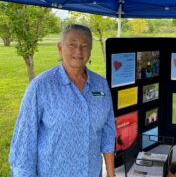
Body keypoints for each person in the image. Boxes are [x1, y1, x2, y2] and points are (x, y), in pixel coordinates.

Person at [9, 24, 116, 177]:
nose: (78, 51)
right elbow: (24, 144)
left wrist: (111, 174)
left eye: (84, 46)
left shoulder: (101, 85)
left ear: (90, 51)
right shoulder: (40, 87)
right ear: (60, 48)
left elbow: (108, 132)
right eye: (72, 45)